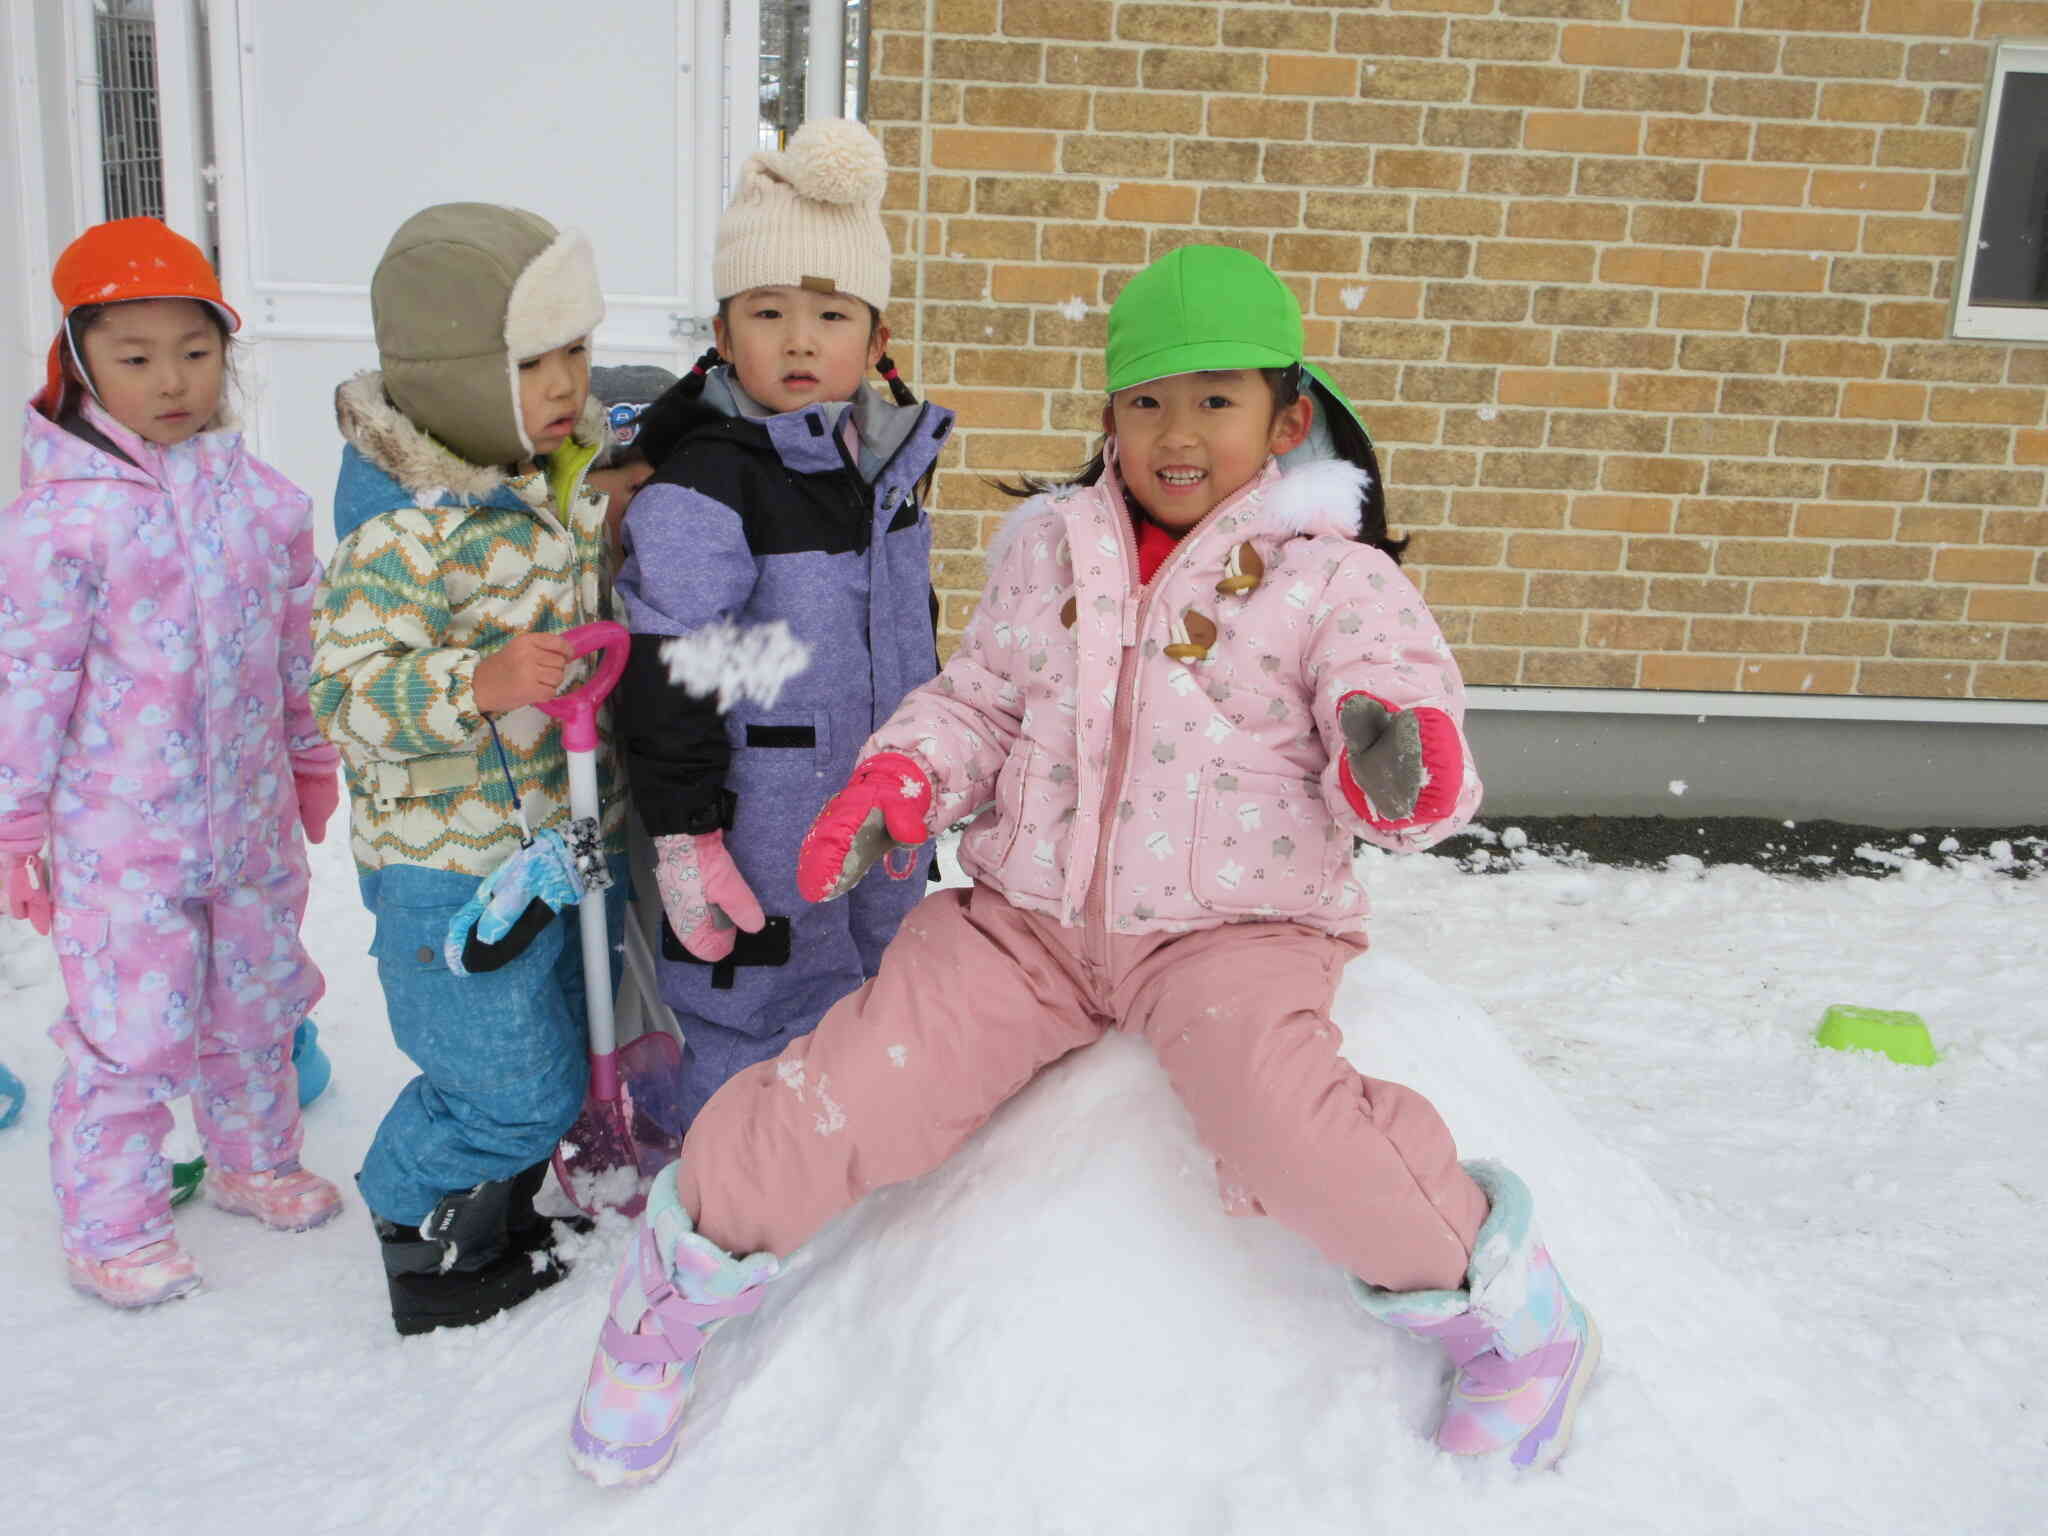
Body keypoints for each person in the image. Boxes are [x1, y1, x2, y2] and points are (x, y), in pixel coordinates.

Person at [565, 245, 1601, 1486]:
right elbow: (984, 701)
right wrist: (905, 779)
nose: (1176, 433)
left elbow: (1397, 708)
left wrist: (1399, 761)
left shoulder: (1335, 579)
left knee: (1284, 1126)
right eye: (1144, 400)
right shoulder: (1049, 547)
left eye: (1214, 399)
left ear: (1286, 416)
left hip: (1236, 924)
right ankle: (673, 1293)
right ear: (1107, 413)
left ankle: (1513, 1320)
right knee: (849, 1087)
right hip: (1029, 920)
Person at [0, 216, 344, 1308]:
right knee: (132, 1033)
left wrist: (308, 759)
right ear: (80, 360)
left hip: (246, 824)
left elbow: (300, 649)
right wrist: (14, 828)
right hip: (122, 845)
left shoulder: (262, 504)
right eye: (136, 357)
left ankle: (252, 1161)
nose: (171, 381)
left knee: (256, 1003)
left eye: (195, 353)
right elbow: (26, 692)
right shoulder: (58, 527)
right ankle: (113, 1223)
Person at [310, 203, 626, 1336]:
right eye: (528, 360)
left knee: (538, 1052)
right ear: (450, 375)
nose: (564, 380)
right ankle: (419, 1231)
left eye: (576, 350)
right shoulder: (400, 532)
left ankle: (495, 1212)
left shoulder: (548, 485)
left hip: (541, 851)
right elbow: (342, 698)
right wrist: (474, 684)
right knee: (505, 1083)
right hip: (444, 871)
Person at [613, 118, 954, 1129]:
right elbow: (669, 667)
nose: (800, 338)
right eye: (767, 311)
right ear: (723, 338)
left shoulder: (888, 472)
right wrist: (683, 835)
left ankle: (840, 1161)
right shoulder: (706, 482)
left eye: (831, 312)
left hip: (880, 815)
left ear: (877, 339)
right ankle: (730, 1192)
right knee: (755, 1010)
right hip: (759, 825)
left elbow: (911, 642)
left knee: (875, 984)